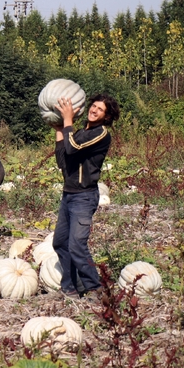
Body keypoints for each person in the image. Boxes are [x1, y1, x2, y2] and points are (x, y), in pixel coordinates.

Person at [51, 93, 120, 300]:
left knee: (77, 246)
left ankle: (95, 289)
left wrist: (67, 120)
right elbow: (63, 161)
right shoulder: (80, 133)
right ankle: (70, 287)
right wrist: (58, 132)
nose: (94, 110)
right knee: (60, 243)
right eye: (93, 106)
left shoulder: (101, 134)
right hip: (68, 195)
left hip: (84, 197)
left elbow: (72, 148)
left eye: (100, 109)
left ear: (106, 116)